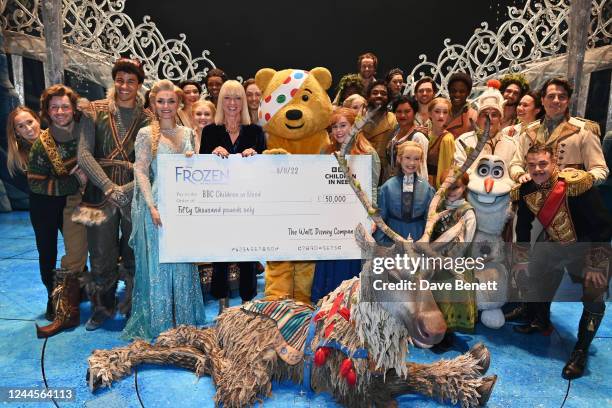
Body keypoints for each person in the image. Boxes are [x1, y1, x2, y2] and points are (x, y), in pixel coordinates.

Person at [511, 145, 611, 379]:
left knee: (595, 295)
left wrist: (596, 264)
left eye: (543, 164)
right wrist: (522, 260)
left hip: (589, 246)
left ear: (554, 162)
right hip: (554, 243)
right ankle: (540, 320)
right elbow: (522, 227)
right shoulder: (526, 190)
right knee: (533, 272)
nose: (538, 169)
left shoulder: (576, 184)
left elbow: (603, 226)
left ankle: (580, 351)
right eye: (532, 165)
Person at [123, 79, 205, 341]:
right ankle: (160, 325)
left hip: (185, 206)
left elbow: (197, 172)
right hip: (158, 205)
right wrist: (151, 205)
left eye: (171, 101)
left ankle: (185, 322)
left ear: (179, 102)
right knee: (159, 267)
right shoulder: (147, 134)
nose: (166, 106)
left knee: (182, 263)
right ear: (152, 104)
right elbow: (141, 171)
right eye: (161, 101)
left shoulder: (189, 133)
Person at [76, 58, 152, 330]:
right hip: (98, 194)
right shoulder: (93, 111)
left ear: (140, 85)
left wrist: (127, 190)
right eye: (120, 80)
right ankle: (102, 306)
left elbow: (151, 163)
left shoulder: (149, 119)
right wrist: (108, 186)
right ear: (113, 81)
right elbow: (83, 155)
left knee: (134, 251)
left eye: (131, 81)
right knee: (99, 253)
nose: (124, 85)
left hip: (135, 193)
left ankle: (130, 304)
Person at [200, 80, 266, 313]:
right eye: (227, 98)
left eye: (237, 98)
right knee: (221, 255)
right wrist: (210, 154)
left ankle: (248, 304)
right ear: (220, 102)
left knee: (248, 255)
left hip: (248, 205)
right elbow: (201, 170)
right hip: (220, 205)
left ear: (244, 102)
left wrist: (256, 156)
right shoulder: (210, 132)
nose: (232, 103)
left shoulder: (256, 132)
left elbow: (266, 172)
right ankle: (222, 303)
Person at [28, 85, 88, 338]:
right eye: (54, 107)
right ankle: (54, 302)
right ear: (47, 111)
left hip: (73, 200)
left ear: (73, 109)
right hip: (45, 202)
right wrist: (76, 181)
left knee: (79, 248)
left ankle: (78, 293)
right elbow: (35, 182)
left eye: (65, 106)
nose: (60, 111)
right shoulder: (42, 145)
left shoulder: (84, 131)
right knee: (48, 251)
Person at [311, 107, 380, 302]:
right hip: (331, 217)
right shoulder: (327, 152)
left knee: (350, 265)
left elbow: (373, 188)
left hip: (356, 218)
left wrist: (371, 216)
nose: (339, 131)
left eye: (343, 125)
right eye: (334, 127)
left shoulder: (368, 153)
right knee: (329, 262)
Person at [509, 77, 608, 185]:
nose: (556, 100)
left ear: (568, 101)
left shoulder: (584, 130)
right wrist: (521, 175)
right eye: (551, 96)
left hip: (568, 198)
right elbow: (515, 164)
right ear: (542, 100)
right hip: (531, 196)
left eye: (562, 97)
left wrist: (580, 177)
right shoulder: (528, 131)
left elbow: (600, 169)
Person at [428, 168, 477, 350]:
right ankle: (435, 333)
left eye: (455, 187)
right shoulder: (439, 207)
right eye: (447, 187)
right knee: (436, 300)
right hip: (435, 261)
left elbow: (465, 243)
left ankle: (446, 338)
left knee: (450, 301)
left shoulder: (467, 213)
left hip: (453, 264)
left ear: (464, 187)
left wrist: (446, 259)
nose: (451, 191)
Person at [375, 141, 434, 245]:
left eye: (416, 159)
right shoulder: (387, 187)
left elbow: (430, 219)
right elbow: (381, 218)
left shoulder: (427, 188)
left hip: (418, 236)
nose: (412, 163)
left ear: (421, 161)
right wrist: (381, 243)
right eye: (408, 158)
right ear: (399, 158)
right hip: (393, 237)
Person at [454, 87, 517, 170]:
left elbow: (514, 167)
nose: (489, 118)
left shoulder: (512, 144)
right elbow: (459, 168)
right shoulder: (463, 141)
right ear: (478, 118)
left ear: (500, 119)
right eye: (485, 115)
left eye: (494, 115)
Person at [361, 80, 398, 185]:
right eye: (375, 92)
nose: (379, 95)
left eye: (383, 93)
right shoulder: (359, 118)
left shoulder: (394, 119)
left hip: (383, 172)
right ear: (368, 97)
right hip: (360, 168)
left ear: (389, 98)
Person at [386, 96, 429, 181]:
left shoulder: (418, 136)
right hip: (394, 184)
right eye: (399, 111)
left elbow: (422, 169)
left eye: (407, 111)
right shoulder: (394, 133)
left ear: (414, 113)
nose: (402, 115)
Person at [5, 107, 41, 193]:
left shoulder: (57, 138)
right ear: (17, 132)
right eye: (21, 126)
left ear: (37, 120)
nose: (28, 129)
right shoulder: (17, 158)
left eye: (30, 122)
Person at [426, 97, 455, 188]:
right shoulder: (425, 134)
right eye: (437, 111)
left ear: (449, 115)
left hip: (434, 185)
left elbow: (445, 169)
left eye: (445, 112)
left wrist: (441, 190)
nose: (441, 116)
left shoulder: (447, 139)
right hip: (422, 182)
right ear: (430, 113)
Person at [445, 72, 478, 139]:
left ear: (468, 93)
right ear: (449, 91)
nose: (457, 94)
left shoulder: (474, 116)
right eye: (453, 91)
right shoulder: (441, 111)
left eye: (462, 91)